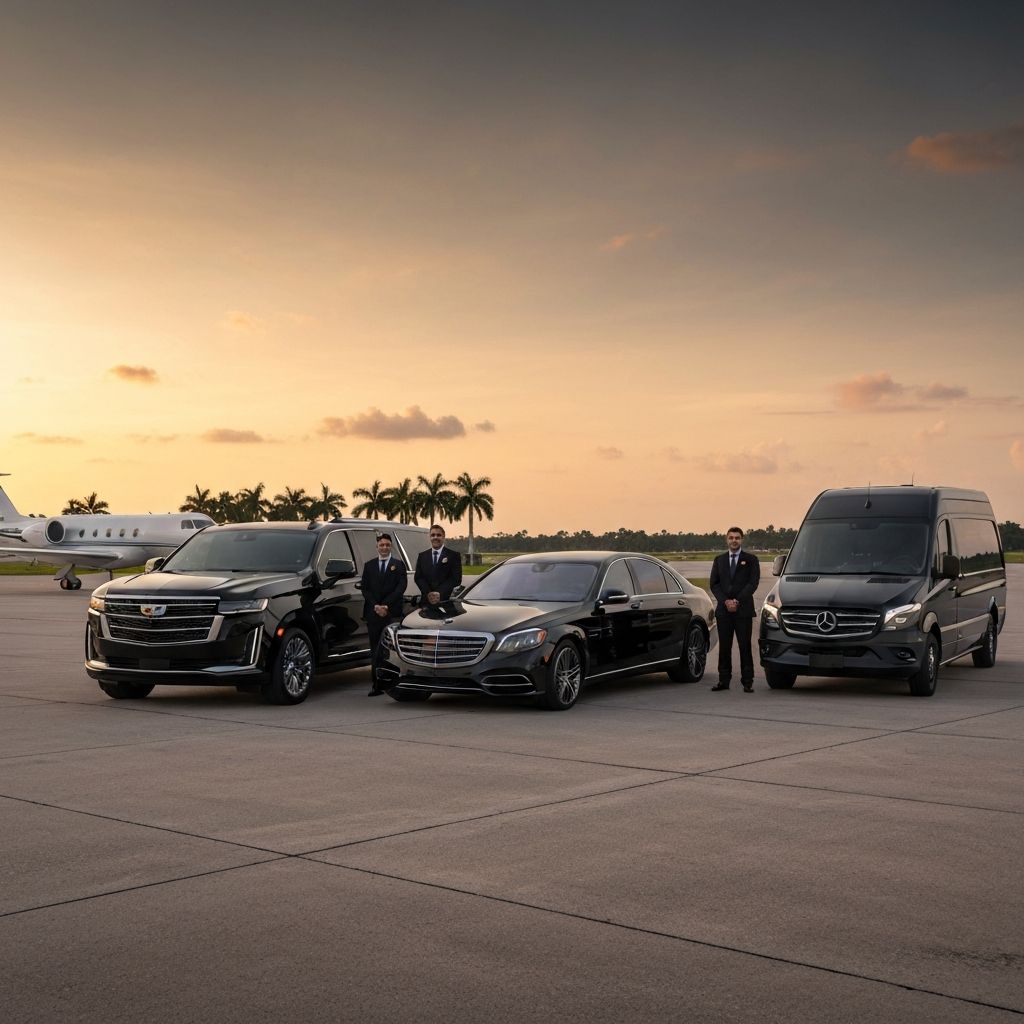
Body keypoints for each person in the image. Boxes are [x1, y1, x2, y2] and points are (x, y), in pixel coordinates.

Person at [708, 527, 760, 692]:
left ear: (742, 539)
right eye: (731, 538)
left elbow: (753, 583)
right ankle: (724, 681)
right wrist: (726, 601)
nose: (734, 540)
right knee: (724, 647)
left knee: (744, 646)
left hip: (743, 610)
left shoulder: (751, 560)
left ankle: (747, 681)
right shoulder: (719, 560)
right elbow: (714, 584)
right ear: (727, 540)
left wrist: (737, 600)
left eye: (737, 538)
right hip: (724, 612)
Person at [361, 533, 408, 696]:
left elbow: (401, 587)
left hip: (391, 612)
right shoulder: (369, 566)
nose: (384, 547)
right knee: (375, 649)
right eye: (382, 545)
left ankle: (394, 683)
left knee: (392, 650)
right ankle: (377, 685)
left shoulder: (398, 565)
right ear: (377, 547)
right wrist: (376, 606)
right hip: (373, 613)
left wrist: (386, 605)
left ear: (391, 547)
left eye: (387, 545)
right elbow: (365, 588)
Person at [414, 523, 463, 607]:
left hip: (445, 601)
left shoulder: (453, 555)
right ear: (430, 537)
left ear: (443, 537)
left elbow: (456, 578)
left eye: (438, 535)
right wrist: (429, 593)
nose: (435, 537)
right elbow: (418, 577)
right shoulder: (422, 556)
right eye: (433, 535)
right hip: (426, 601)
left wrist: (439, 593)